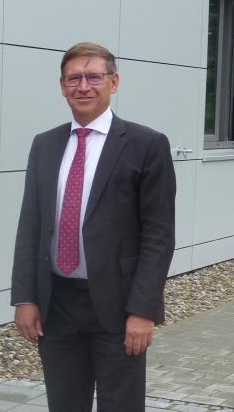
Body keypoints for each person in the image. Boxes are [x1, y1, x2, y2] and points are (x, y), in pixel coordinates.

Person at [11, 42, 175, 412]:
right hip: (58, 304)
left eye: (94, 77)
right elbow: (30, 225)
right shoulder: (45, 145)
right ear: (62, 85)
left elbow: (158, 235)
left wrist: (143, 311)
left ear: (114, 82)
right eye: (74, 78)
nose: (83, 86)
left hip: (119, 307)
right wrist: (25, 297)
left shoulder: (146, 145)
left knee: (121, 405)